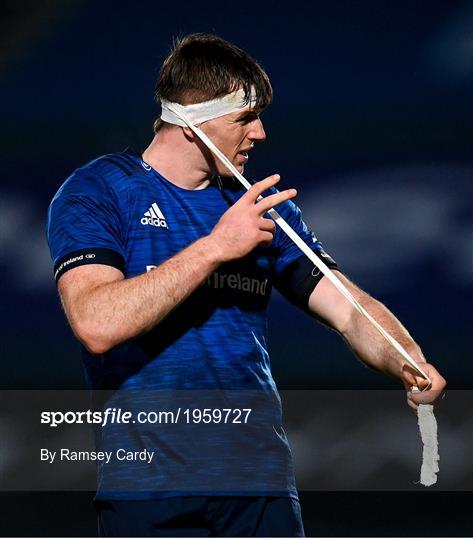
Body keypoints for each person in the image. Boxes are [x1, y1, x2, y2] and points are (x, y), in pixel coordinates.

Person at [47, 33, 446, 537]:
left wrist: (406, 358)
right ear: (193, 123)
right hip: (148, 490)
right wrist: (216, 246)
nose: (259, 133)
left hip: (259, 487)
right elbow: (97, 323)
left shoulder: (260, 205)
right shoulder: (99, 191)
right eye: (245, 117)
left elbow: (347, 307)